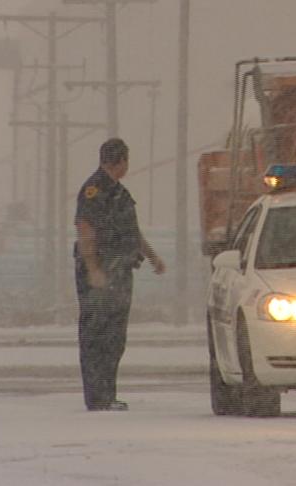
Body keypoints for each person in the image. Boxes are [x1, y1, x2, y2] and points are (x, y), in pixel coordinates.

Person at [74, 137, 166, 411]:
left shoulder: (119, 193)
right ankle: (97, 397)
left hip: (120, 272)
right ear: (121, 162)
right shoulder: (94, 190)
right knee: (96, 335)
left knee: (115, 336)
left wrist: (152, 256)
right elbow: (85, 230)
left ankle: (107, 394)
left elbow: (132, 232)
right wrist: (93, 270)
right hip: (100, 272)